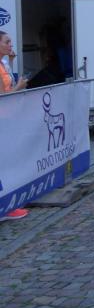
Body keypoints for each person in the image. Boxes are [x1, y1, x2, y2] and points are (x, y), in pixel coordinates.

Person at [0, 30, 29, 222]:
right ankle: (5, 209)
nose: (11, 45)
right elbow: (2, 96)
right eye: (7, 42)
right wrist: (19, 87)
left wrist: (10, 61)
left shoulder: (2, 63)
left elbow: (7, 83)